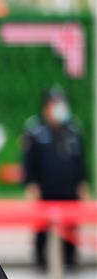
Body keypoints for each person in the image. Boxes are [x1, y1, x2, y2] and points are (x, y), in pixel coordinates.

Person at [23, 86, 90, 269]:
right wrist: (31, 184)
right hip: (46, 188)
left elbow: (80, 160)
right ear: (46, 107)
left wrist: (83, 182)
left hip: (68, 188)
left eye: (61, 103)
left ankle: (70, 258)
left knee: (70, 225)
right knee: (43, 227)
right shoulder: (35, 130)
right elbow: (29, 161)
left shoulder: (73, 130)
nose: (59, 107)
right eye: (55, 103)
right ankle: (41, 260)